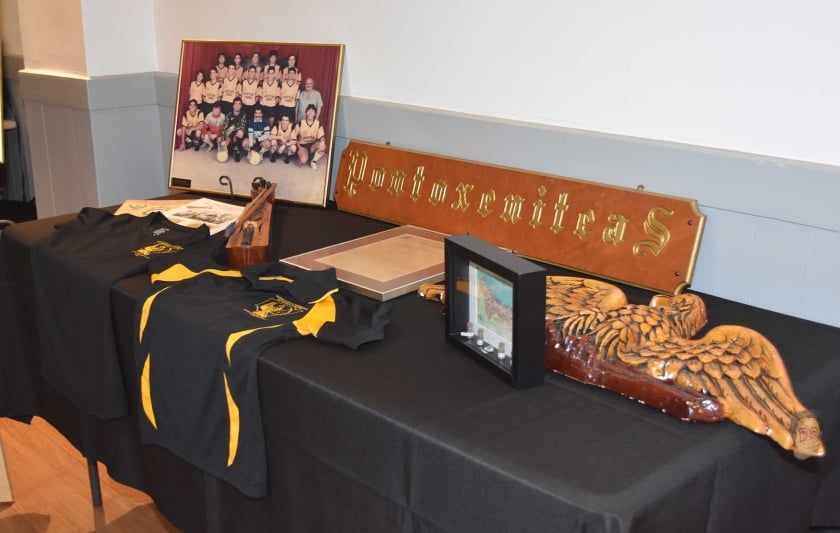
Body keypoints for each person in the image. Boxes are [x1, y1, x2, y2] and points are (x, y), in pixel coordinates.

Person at [296, 104, 326, 170]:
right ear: (306, 113)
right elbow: (293, 137)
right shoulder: (301, 123)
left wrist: (322, 142)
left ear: (315, 114)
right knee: (303, 161)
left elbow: (322, 137)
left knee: (323, 146)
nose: (310, 113)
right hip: (303, 146)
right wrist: (299, 147)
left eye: (312, 111)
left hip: (312, 145)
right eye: (309, 111)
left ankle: (313, 161)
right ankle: (303, 156)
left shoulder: (318, 123)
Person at [222, 97, 248, 162]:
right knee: (225, 144)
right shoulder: (229, 115)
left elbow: (242, 127)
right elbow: (224, 128)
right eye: (235, 104)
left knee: (240, 132)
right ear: (233, 105)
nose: (237, 105)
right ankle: (231, 150)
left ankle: (238, 150)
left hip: (238, 135)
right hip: (230, 134)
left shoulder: (243, 114)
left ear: (241, 106)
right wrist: (224, 138)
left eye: (239, 104)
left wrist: (235, 136)